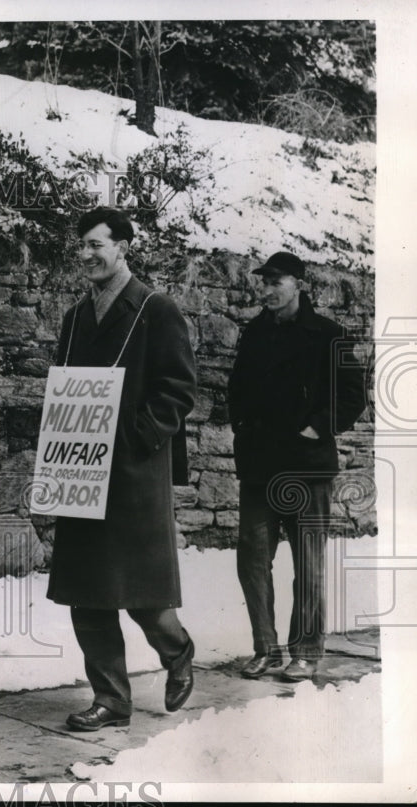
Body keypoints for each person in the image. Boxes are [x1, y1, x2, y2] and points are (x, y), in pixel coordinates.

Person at [47, 207, 197, 731]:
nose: (87, 254)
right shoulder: (75, 318)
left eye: (97, 245)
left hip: (133, 474)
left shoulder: (156, 309)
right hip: (81, 471)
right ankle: (111, 699)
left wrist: (136, 436)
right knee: (87, 593)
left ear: (123, 248)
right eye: (82, 245)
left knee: (142, 596)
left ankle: (177, 652)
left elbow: (178, 389)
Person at [228, 251, 366, 682]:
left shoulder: (328, 334)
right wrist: (242, 429)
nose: (267, 290)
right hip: (260, 466)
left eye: (277, 282)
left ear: (299, 285)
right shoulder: (255, 333)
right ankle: (266, 649)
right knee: (252, 559)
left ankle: (305, 651)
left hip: (306, 467)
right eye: (264, 282)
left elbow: (353, 394)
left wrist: (317, 427)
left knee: (308, 563)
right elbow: (237, 388)